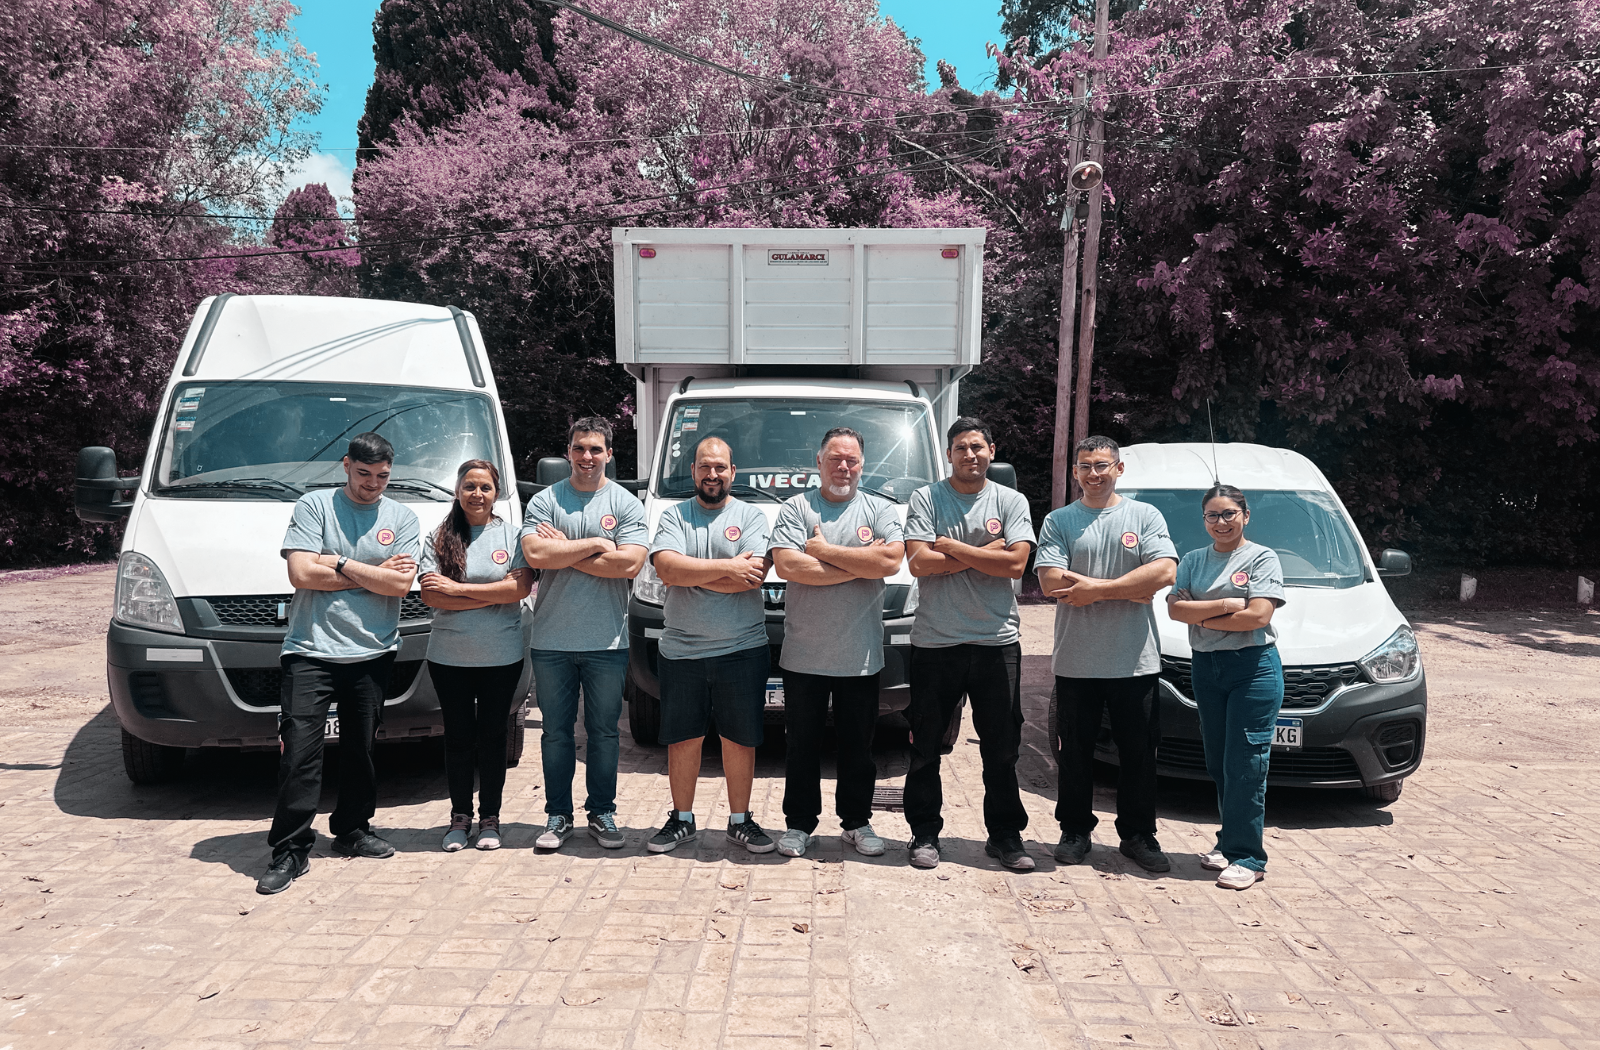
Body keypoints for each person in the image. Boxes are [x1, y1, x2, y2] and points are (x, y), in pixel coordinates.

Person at [257, 432, 420, 895]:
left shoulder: (402, 517)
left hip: (373, 651)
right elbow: (301, 572)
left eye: (382, 476)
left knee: (361, 750)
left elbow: (400, 586)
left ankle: (351, 829)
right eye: (364, 474)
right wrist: (374, 573)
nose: (373, 484)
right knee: (300, 754)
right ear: (346, 465)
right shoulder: (315, 506)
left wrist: (340, 562)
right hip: (310, 650)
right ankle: (290, 849)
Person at [1035, 435, 1178, 872]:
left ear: (1119, 468)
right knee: (1074, 753)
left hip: (1135, 661)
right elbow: (1050, 582)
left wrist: (1096, 589)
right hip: (1076, 661)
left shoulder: (1144, 515)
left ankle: (1138, 835)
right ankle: (1074, 831)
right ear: (1074, 472)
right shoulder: (1060, 520)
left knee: (1139, 754)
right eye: (1085, 466)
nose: (1093, 474)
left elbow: (1165, 571)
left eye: (1101, 465)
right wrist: (1130, 588)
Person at [902, 417, 1036, 872]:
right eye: (960, 447)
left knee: (1002, 748)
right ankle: (924, 833)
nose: (970, 455)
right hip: (936, 642)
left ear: (991, 451)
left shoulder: (1011, 500)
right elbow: (919, 563)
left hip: (997, 641)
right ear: (949, 454)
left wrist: (951, 547)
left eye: (977, 446)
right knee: (926, 747)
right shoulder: (926, 498)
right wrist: (987, 553)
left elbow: (1016, 565)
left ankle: (1005, 836)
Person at [768, 427, 905, 858]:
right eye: (835, 459)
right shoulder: (796, 508)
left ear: (862, 465)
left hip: (860, 655)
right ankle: (799, 825)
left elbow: (891, 559)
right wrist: (862, 565)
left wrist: (823, 551)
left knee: (858, 748)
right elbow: (789, 566)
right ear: (819, 462)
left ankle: (856, 822)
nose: (843, 467)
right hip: (804, 654)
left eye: (852, 460)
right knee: (801, 746)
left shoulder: (880, 509)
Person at [520, 417, 649, 851]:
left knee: (605, 733)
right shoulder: (546, 499)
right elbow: (535, 553)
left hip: (607, 642)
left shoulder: (626, 503)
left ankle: (602, 813)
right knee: (555, 734)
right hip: (552, 641)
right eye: (579, 448)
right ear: (568, 452)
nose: (586, 456)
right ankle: (558, 816)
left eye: (595, 449)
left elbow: (630, 564)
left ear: (609, 453)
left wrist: (564, 549)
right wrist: (597, 543)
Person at [645, 436, 775, 854]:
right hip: (682, 649)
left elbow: (752, 576)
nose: (712, 474)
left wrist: (692, 575)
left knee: (740, 739)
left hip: (742, 648)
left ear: (733, 472)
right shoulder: (674, 515)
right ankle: (681, 820)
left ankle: (740, 821)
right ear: (694, 471)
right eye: (704, 466)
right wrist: (726, 568)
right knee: (684, 738)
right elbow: (667, 569)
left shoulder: (751, 516)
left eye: (720, 467)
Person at [1166, 484, 1286, 891]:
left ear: (1245, 515)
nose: (1221, 522)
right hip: (1206, 667)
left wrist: (1199, 616)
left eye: (1229, 513)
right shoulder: (1193, 560)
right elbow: (1175, 609)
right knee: (1218, 761)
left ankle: (1249, 857)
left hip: (1252, 668)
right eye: (1213, 515)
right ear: (1204, 520)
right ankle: (1229, 841)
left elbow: (1258, 616)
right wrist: (1225, 605)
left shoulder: (1262, 558)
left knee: (1246, 764)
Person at [419, 459, 534, 852]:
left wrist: (457, 591)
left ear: (496, 492)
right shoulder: (439, 536)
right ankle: (459, 817)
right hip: (448, 657)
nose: (477, 494)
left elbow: (518, 590)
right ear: (457, 490)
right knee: (458, 737)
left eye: (485, 487)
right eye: (469, 486)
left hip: (501, 657)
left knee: (493, 737)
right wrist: (491, 595)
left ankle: (490, 819)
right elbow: (431, 595)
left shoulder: (513, 537)